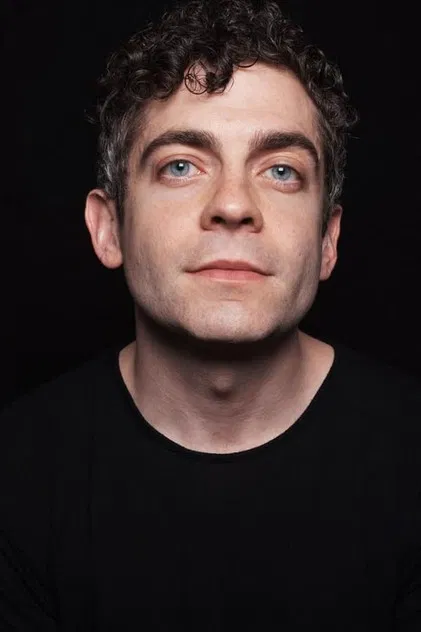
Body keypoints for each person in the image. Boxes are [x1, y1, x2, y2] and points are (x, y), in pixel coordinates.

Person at [1, 0, 420, 629]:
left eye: (281, 170)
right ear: (108, 227)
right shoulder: (15, 478)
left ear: (328, 241)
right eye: (180, 166)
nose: (232, 204)